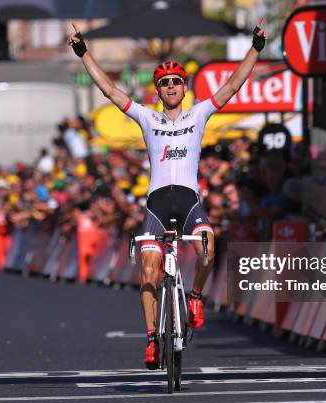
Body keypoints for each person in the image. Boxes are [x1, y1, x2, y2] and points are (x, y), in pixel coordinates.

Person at [67, 20, 269, 369]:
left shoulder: (200, 113)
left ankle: (194, 296)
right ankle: (150, 339)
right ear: (157, 91)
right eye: (164, 83)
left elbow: (234, 84)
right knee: (148, 271)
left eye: (176, 81)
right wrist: (84, 53)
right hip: (157, 204)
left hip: (189, 201)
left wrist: (255, 48)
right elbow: (111, 91)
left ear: (184, 88)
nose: (171, 86)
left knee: (207, 245)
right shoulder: (147, 118)